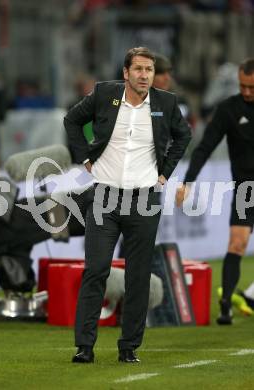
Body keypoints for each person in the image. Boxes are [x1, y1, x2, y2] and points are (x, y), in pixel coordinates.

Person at [64, 46, 191, 363]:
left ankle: (128, 347)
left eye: (149, 70)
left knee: (138, 275)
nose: (145, 75)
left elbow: (183, 135)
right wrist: (84, 157)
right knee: (96, 270)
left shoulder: (166, 102)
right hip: (104, 198)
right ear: (126, 73)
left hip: (144, 200)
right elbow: (72, 120)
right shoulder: (105, 93)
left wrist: (165, 173)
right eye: (138, 69)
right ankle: (84, 346)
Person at [176, 58, 254, 325]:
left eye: (251, 88)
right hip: (247, 190)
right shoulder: (229, 109)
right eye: (243, 86)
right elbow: (205, 147)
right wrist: (187, 181)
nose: (246, 92)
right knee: (237, 243)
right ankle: (225, 305)